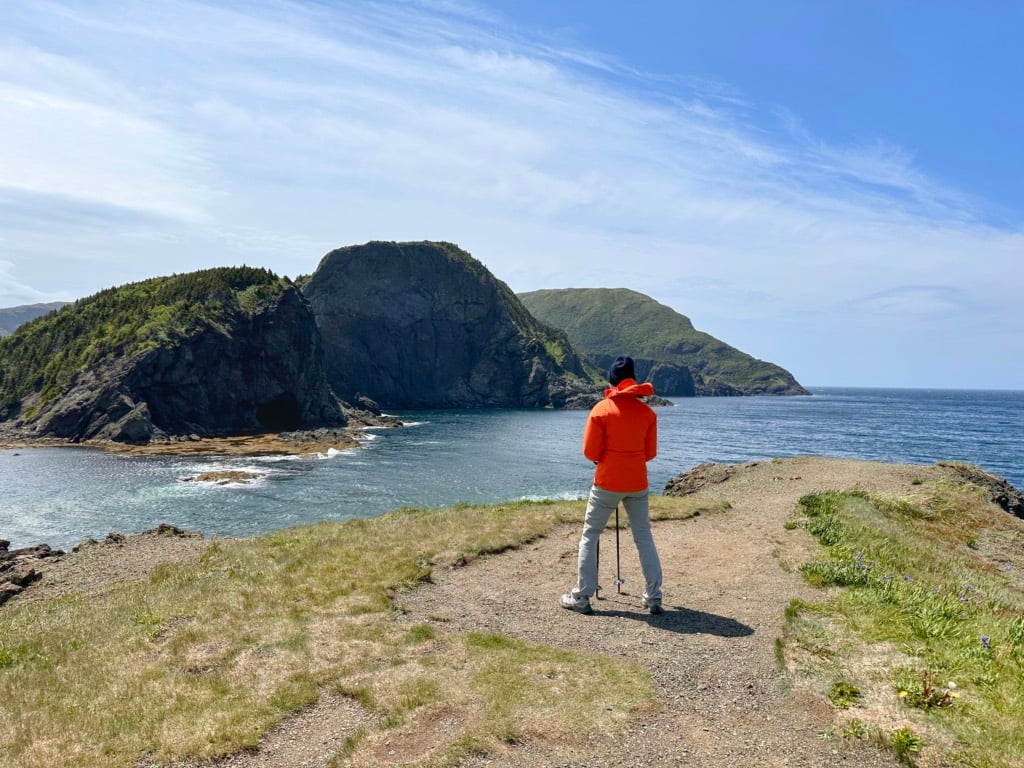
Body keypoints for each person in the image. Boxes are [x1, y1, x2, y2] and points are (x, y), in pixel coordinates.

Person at [561, 355, 664, 615]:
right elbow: (649, 453)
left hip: (607, 482)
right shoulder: (648, 413)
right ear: (633, 379)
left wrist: (606, 458)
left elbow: (589, 451)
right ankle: (653, 596)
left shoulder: (601, 410)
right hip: (637, 483)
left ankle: (582, 596)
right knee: (643, 536)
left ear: (611, 380)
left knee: (590, 535)